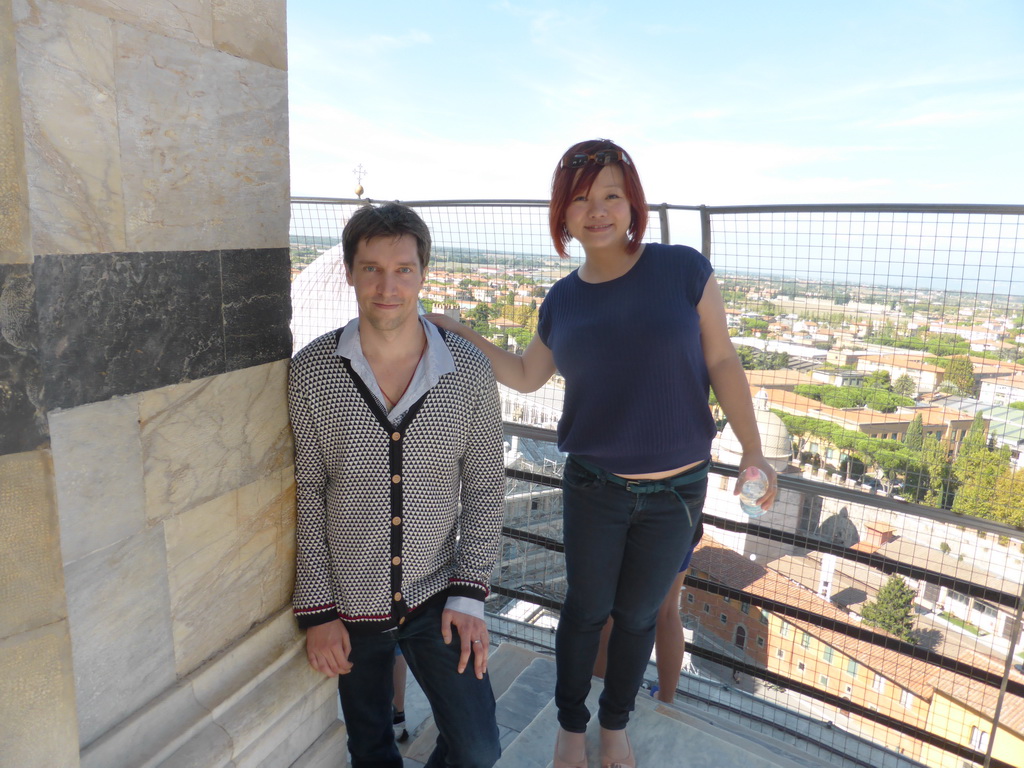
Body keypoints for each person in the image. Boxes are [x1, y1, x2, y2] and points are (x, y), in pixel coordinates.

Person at [428, 139, 777, 768]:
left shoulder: (684, 269)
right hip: (596, 487)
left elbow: (722, 359)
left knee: (640, 617)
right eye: (581, 199)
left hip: (678, 492)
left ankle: (613, 727)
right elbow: (528, 375)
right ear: (563, 215)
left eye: (611, 195)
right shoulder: (562, 300)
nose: (598, 210)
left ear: (632, 203)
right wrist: (465, 334)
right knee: (585, 613)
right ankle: (570, 726)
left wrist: (753, 449)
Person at [289, 202, 505, 768]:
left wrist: (469, 593)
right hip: (350, 606)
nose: (388, 286)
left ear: (423, 274)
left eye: (403, 269)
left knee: (478, 747)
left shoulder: (468, 370)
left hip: (438, 596)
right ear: (351, 273)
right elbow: (309, 492)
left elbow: (484, 487)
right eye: (372, 269)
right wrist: (317, 610)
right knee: (371, 749)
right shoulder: (313, 371)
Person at [593, 548, 694, 705]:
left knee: (614, 602)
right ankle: (666, 700)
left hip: (635, 528)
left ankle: (596, 687)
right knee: (667, 610)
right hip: (683, 526)